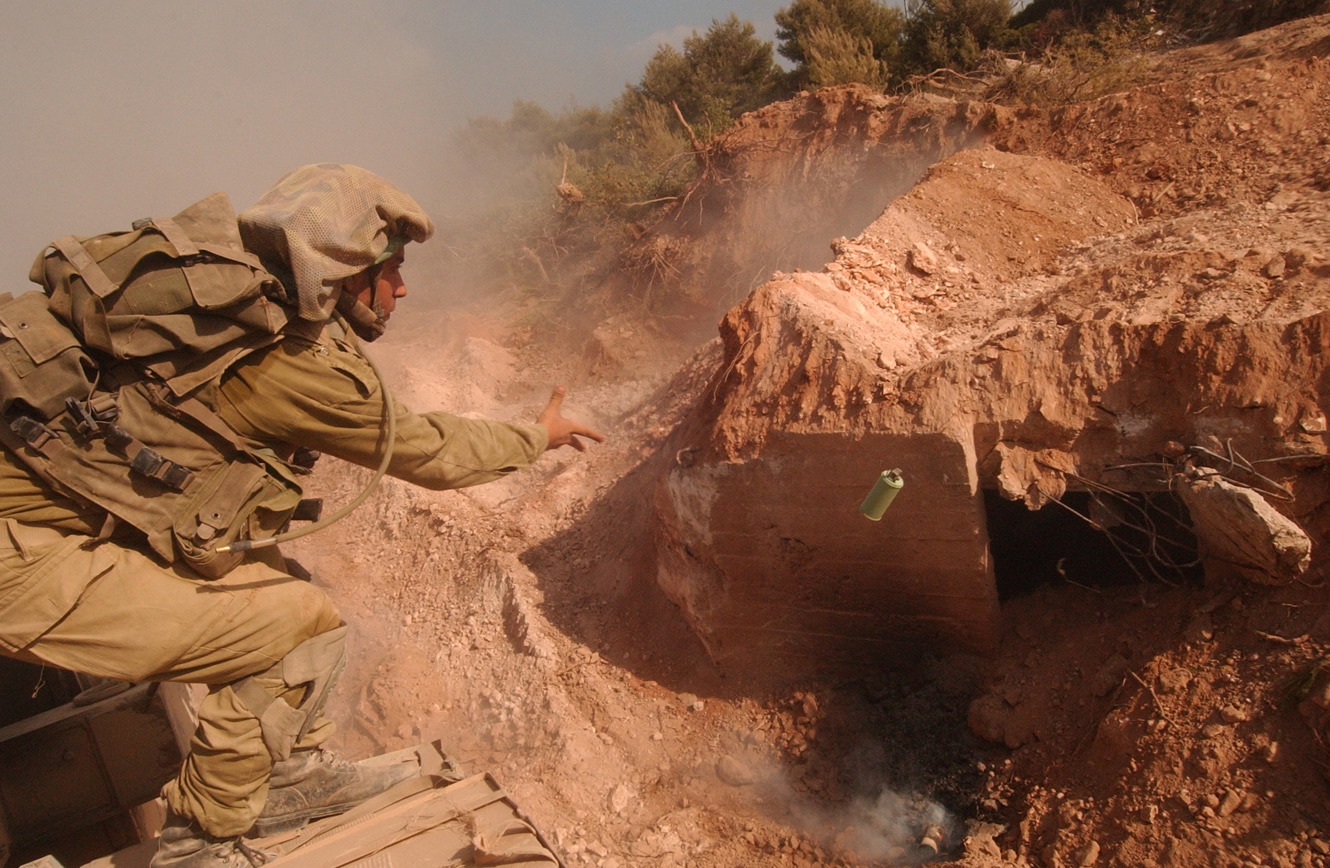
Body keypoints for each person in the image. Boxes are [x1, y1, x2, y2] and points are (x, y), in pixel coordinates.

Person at [0, 163, 604, 868]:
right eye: (392, 269)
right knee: (287, 629)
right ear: (341, 272)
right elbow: (430, 452)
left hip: (58, 519)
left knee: (288, 589)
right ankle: (200, 844)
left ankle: (288, 778)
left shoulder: (220, 314)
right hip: (22, 555)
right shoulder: (279, 361)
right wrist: (539, 436)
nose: (403, 287)